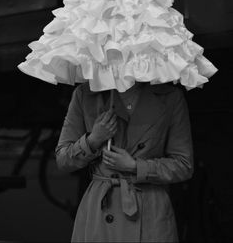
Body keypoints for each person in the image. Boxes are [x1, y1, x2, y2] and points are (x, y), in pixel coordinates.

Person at [55, 80, 194, 242]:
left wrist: (136, 167)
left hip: (149, 209)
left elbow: (184, 164)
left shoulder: (170, 96)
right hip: (101, 208)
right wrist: (93, 139)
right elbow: (62, 160)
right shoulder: (85, 94)